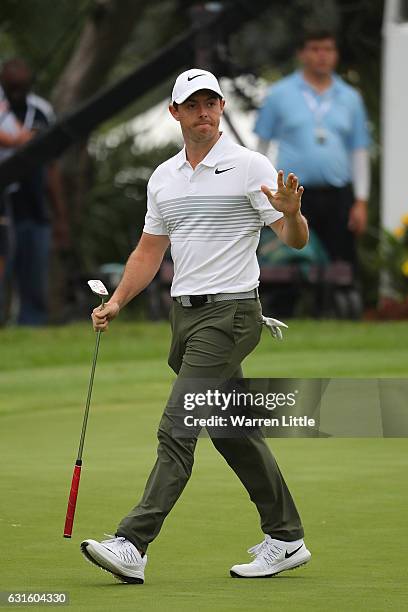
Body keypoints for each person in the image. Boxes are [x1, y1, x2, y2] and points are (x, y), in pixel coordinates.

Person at [81, 68, 311, 584]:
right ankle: (287, 536)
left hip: (230, 315)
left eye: (212, 102)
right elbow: (148, 250)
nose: (205, 111)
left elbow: (293, 238)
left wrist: (293, 215)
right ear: (176, 113)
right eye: (194, 104)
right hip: (185, 316)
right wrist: (117, 301)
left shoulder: (250, 166)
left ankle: (132, 543)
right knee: (232, 430)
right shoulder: (164, 178)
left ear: (222, 108)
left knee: (176, 427)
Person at [255, 29, 370, 275]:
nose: (322, 56)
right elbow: (261, 146)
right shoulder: (279, 94)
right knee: (290, 255)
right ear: (302, 54)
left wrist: (360, 201)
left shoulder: (350, 98)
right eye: (315, 49)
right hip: (293, 194)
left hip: (338, 194)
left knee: (341, 262)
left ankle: (338, 312)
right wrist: (260, 189)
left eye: (328, 49)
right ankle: (286, 310)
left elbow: (358, 151)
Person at [0, 58, 68, 325]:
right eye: (11, 80)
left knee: (34, 277)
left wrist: (59, 215)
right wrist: (20, 140)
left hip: (33, 205)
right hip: (3, 205)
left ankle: (32, 326)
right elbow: (14, 139)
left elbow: (52, 166)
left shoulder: (41, 110)